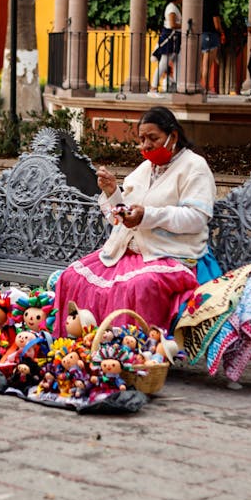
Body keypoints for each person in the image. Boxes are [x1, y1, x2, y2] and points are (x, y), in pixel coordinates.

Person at [53, 107, 221, 336]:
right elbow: (122, 217)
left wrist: (147, 216)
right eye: (142, 139)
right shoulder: (145, 169)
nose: (146, 145)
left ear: (173, 136)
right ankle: (82, 351)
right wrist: (113, 193)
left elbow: (196, 218)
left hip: (173, 254)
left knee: (134, 287)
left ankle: (132, 353)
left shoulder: (195, 167)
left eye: (153, 138)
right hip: (130, 252)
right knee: (72, 277)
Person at [148, 0, 182, 97]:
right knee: (163, 63)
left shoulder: (173, 7)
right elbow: (172, 24)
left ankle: (178, 86)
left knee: (178, 62)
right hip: (170, 38)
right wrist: (184, 25)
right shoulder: (172, 8)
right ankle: (153, 88)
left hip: (174, 39)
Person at [201, 0, 225, 94]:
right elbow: (216, 25)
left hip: (201, 35)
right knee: (208, 65)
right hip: (211, 35)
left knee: (201, 64)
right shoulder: (213, 7)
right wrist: (222, 32)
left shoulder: (199, 5)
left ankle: (199, 86)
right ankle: (206, 88)